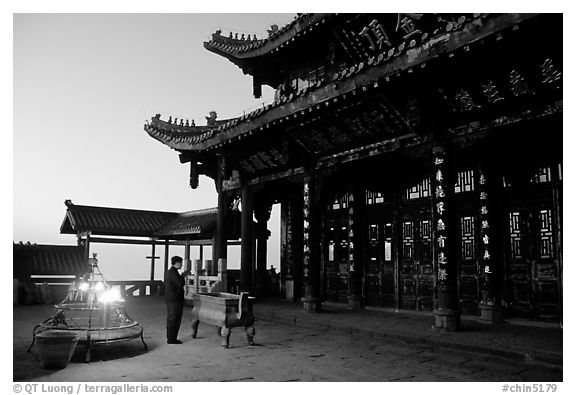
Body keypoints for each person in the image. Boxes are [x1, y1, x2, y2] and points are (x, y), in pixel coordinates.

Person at [164, 255, 189, 344]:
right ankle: (171, 339)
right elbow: (180, 284)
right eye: (180, 263)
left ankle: (171, 337)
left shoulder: (170, 272)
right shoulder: (173, 273)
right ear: (176, 263)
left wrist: (181, 276)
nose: (181, 264)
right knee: (174, 319)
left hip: (171, 299)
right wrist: (183, 276)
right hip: (174, 300)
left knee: (172, 319)